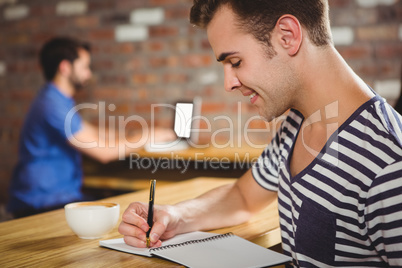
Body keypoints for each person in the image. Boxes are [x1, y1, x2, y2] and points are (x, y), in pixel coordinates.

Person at [118, 0, 402, 267]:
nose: (228, 84)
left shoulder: (389, 164)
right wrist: (175, 216)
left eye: (236, 62)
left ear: (287, 36)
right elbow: (244, 196)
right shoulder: (295, 124)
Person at [7, 37, 175, 218]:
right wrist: (149, 137)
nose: (88, 74)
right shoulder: (52, 105)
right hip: (43, 201)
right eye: (85, 67)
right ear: (65, 67)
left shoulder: (55, 99)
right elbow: (103, 152)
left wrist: (135, 134)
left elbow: (91, 132)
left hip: (52, 196)